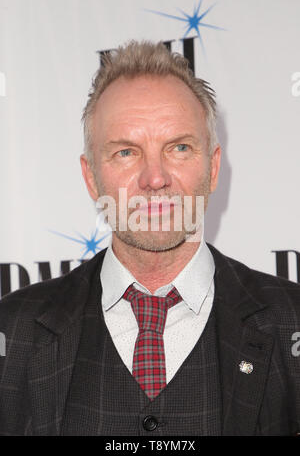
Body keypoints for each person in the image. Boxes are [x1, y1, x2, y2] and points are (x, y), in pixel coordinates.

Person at [0, 40, 299, 436]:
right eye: (126, 152)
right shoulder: (12, 331)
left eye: (179, 147)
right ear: (91, 177)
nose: (155, 178)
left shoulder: (290, 320)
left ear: (212, 169)